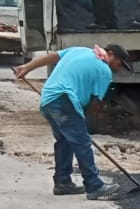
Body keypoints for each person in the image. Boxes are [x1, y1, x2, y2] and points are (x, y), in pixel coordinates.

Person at [12, 44, 129, 200]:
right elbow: (95, 104)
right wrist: (84, 125)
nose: (119, 68)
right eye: (120, 63)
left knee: (65, 141)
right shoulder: (104, 70)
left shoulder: (79, 50)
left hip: (48, 100)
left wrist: (27, 67)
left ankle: (62, 182)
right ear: (111, 54)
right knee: (82, 142)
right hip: (64, 100)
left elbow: (52, 57)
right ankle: (94, 186)